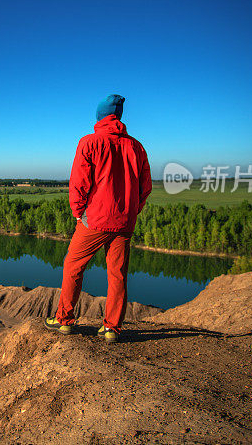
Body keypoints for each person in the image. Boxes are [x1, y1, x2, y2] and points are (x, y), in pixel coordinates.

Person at [44, 94, 152, 343]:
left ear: (100, 116)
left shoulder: (89, 142)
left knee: (73, 266)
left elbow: (79, 183)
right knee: (118, 274)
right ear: (119, 117)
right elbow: (145, 186)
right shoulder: (136, 146)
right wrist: (132, 211)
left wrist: (78, 212)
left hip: (95, 220)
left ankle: (64, 320)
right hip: (124, 222)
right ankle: (112, 328)